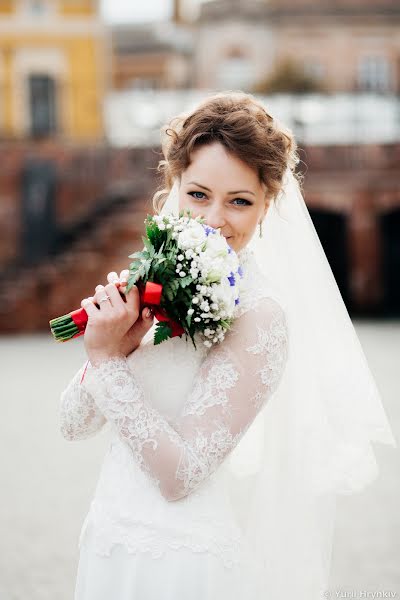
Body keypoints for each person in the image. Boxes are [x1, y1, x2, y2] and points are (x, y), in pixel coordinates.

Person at [59, 91, 396, 600]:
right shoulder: (151, 283)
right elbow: (73, 424)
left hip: (180, 564)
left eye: (239, 201)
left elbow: (182, 475)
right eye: (198, 194)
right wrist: (110, 345)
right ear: (173, 185)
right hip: (110, 543)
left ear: (266, 206)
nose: (215, 218)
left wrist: (107, 362)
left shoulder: (261, 318)